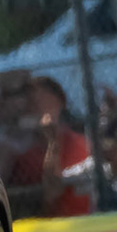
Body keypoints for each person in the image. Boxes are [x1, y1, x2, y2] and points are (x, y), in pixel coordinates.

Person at [20, 77, 92, 217]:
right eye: (33, 104)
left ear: (60, 103)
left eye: (41, 102)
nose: (38, 110)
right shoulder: (26, 157)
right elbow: (50, 195)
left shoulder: (82, 144)